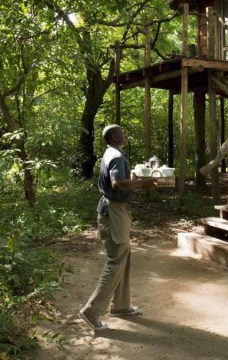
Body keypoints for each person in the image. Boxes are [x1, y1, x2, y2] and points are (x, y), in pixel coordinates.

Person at [79, 124, 156, 332]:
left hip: (115, 210)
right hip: (114, 211)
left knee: (123, 256)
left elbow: (121, 180)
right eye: (122, 132)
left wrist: (137, 178)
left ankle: (120, 306)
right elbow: (118, 184)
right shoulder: (117, 156)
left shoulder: (112, 153)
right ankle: (91, 311)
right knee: (116, 260)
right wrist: (143, 182)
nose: (124, 134)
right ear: (114, 137)